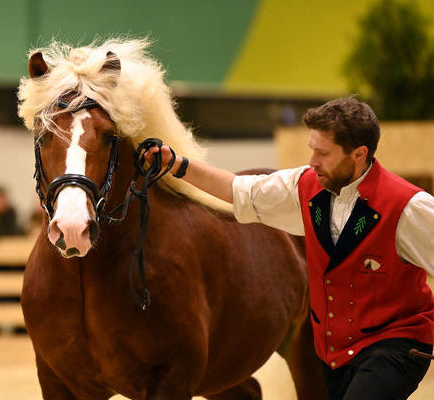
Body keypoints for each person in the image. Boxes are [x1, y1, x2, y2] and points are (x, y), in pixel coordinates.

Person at [148, 96, 434, 400]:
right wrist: (176, 165)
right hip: (335, 354)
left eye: (323, 153)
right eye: (312, 149)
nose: (312, 160)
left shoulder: (408, 207)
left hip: (397, 345)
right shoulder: (305, 186)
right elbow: (239, 190)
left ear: (359, 154)